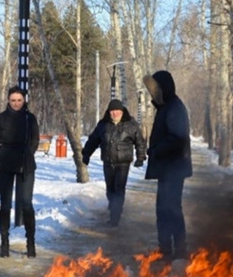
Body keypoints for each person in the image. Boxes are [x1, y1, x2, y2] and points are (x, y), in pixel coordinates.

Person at [143, 70, 192, 261]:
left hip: (173, 168)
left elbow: (177, 139)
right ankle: (165, 249)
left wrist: (156, 150)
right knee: (163, 210)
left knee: (171, 210)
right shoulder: (166, 107)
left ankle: (178, 250)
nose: (153, 94)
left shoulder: (175, 108)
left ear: (165, 88)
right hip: (168, 168)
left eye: (156, 90)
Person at [0, 86, 40, 258]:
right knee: (5, 204)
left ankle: (30, 242)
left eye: (19, 100)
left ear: (24, 100)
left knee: (26, 203)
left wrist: (26, 155)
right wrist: (4, 156)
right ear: (8, 101)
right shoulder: (0, 119)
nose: (16, 103)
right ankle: (4, 242)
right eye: (13, 100)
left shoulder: (30, 118)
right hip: (5, 165)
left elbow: (35, 141)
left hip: (26, 164)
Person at [81, 99, 146, 227]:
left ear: (122, 111)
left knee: (119, 189)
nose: (115, 113)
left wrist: (140, 157)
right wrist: (86, 154)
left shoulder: (131, 124)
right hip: (108, 162)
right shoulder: (103, 125)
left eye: (117, 111)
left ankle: (115, 215)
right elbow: (93, 140)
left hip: (123, 163)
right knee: (110, 189)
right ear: (109, 112)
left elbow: (140, 142)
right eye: (112, 111)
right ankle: (113, 207)